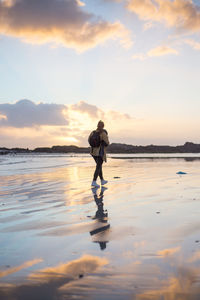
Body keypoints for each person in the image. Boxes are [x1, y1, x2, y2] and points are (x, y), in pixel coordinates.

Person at [88, 120, 109, 187]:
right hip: (100, 152)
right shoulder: (103, 133)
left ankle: (102, 180)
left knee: (99, 166)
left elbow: (89, 140)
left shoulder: (93, 132)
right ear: (103, 126)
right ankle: (94, 181)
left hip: (93, 152)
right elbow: (107, 143)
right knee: (98, 166)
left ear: (97, 125)